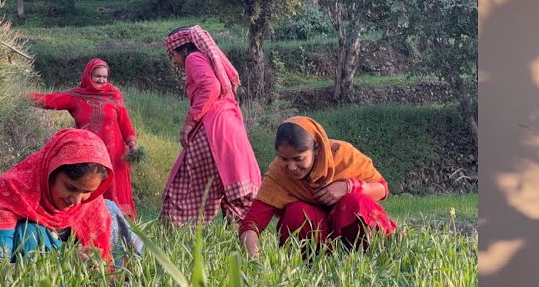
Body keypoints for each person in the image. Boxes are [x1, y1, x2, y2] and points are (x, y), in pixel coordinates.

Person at [0, 129, 119, 268]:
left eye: (87, 191)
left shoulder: (91, 205)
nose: (77, 201)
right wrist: (61, 263)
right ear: (51, 172)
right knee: (28, 232)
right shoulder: (8, 194)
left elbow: (103, 271)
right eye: (70, 187)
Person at [238, 117, 396, 255]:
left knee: (354, 201)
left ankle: (378, 252)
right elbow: (251, 224)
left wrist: (349, 186)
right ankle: (313, 262)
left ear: (317, 150)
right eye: (284, 159)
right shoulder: (278, 173)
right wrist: (254, 261)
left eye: (299, 158)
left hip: (353, 236)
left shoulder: (342, 155)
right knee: (296, 212)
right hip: (317, 244)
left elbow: (382, 189)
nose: (291, 167)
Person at [161, 26, 261, 225]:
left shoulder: (192, 58)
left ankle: (173, 232)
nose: (174, 61)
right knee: (232, 185)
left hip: (213, 126)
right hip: (229, 126)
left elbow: (211, 87)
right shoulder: (204, 58)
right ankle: (246, 236)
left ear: (182, 49)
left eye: (172, 55)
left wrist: (189, 122)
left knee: (184, 181)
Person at [29, 58, 139, 218]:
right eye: (97, 76)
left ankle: (118, 227)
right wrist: (22, 96)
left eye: (104, 77)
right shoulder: (77, 97)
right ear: (88, 75)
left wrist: (132, 144)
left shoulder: (114, 95)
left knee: (113, 192)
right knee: (88, 186)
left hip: (114, 155)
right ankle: (90, 222)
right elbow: (50, 100)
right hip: (88, 155)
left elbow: (125, 123)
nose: (101, 80)